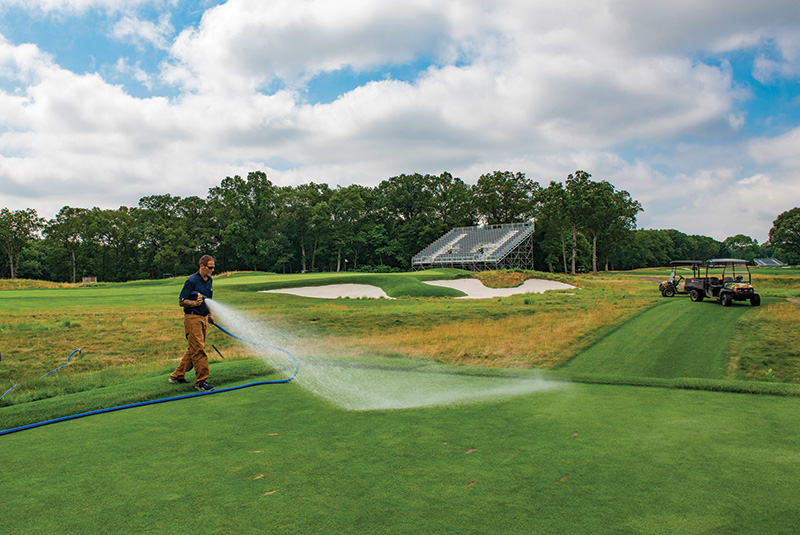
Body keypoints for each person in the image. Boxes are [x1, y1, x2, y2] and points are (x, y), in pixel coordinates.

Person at [169, 255, 216, 391]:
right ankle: (201, 382)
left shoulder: (209, 280)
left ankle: (177, 375)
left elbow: (208, 300)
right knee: (198, 350)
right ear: (202, 266)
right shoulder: (191, 281)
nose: (212, 270)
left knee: (193, 348)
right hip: (192, 318)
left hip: (203, 317)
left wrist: (210, 314)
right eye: (210, 267)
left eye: (213, 267)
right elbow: (181, 301)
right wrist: (195, 303)